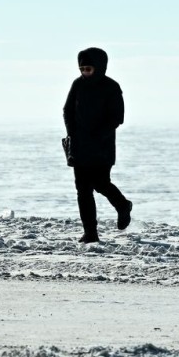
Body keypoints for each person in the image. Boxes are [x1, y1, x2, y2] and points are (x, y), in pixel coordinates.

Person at [63, 47, 131, 243]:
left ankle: (123, 205)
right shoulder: (77, 84)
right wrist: (72, 133)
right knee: (83, 189)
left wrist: (98, 134)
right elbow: (67, 110)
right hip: (78, 146)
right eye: (82, 69)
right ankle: (90, 233)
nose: (85, 73)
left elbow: (117, 117)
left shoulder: (111, 87)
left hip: (102, 146)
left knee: (101, 184)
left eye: (89, 69)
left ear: (99, 68)